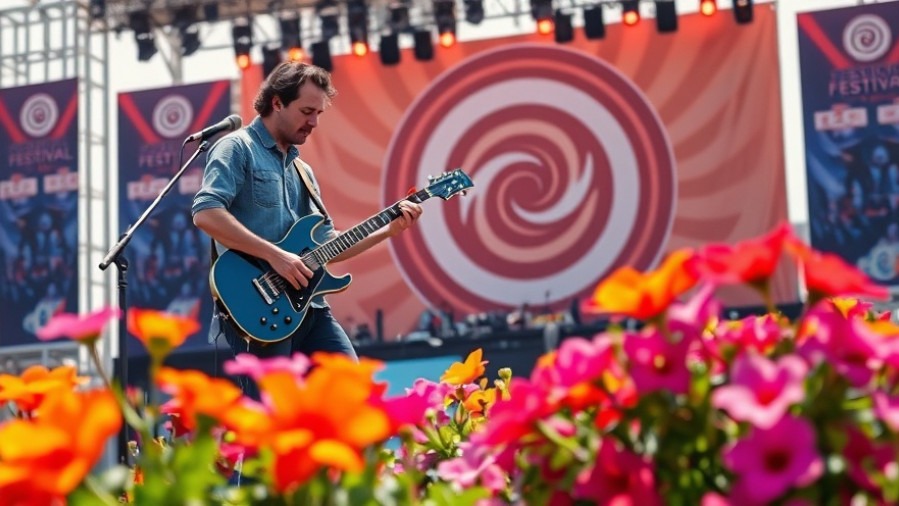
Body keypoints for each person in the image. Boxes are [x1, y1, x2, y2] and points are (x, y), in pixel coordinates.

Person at [192, 62, 422, 400]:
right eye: (307, 111)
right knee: (272, 417)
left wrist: (388, 228)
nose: (314, 121)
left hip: (311, 307)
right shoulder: (236, 148)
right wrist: (277, 257)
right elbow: (206, 213)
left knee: (354, 395)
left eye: (319, 113)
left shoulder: (304, 171)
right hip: (260, 307)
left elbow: (328, 244)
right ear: (277, 103)